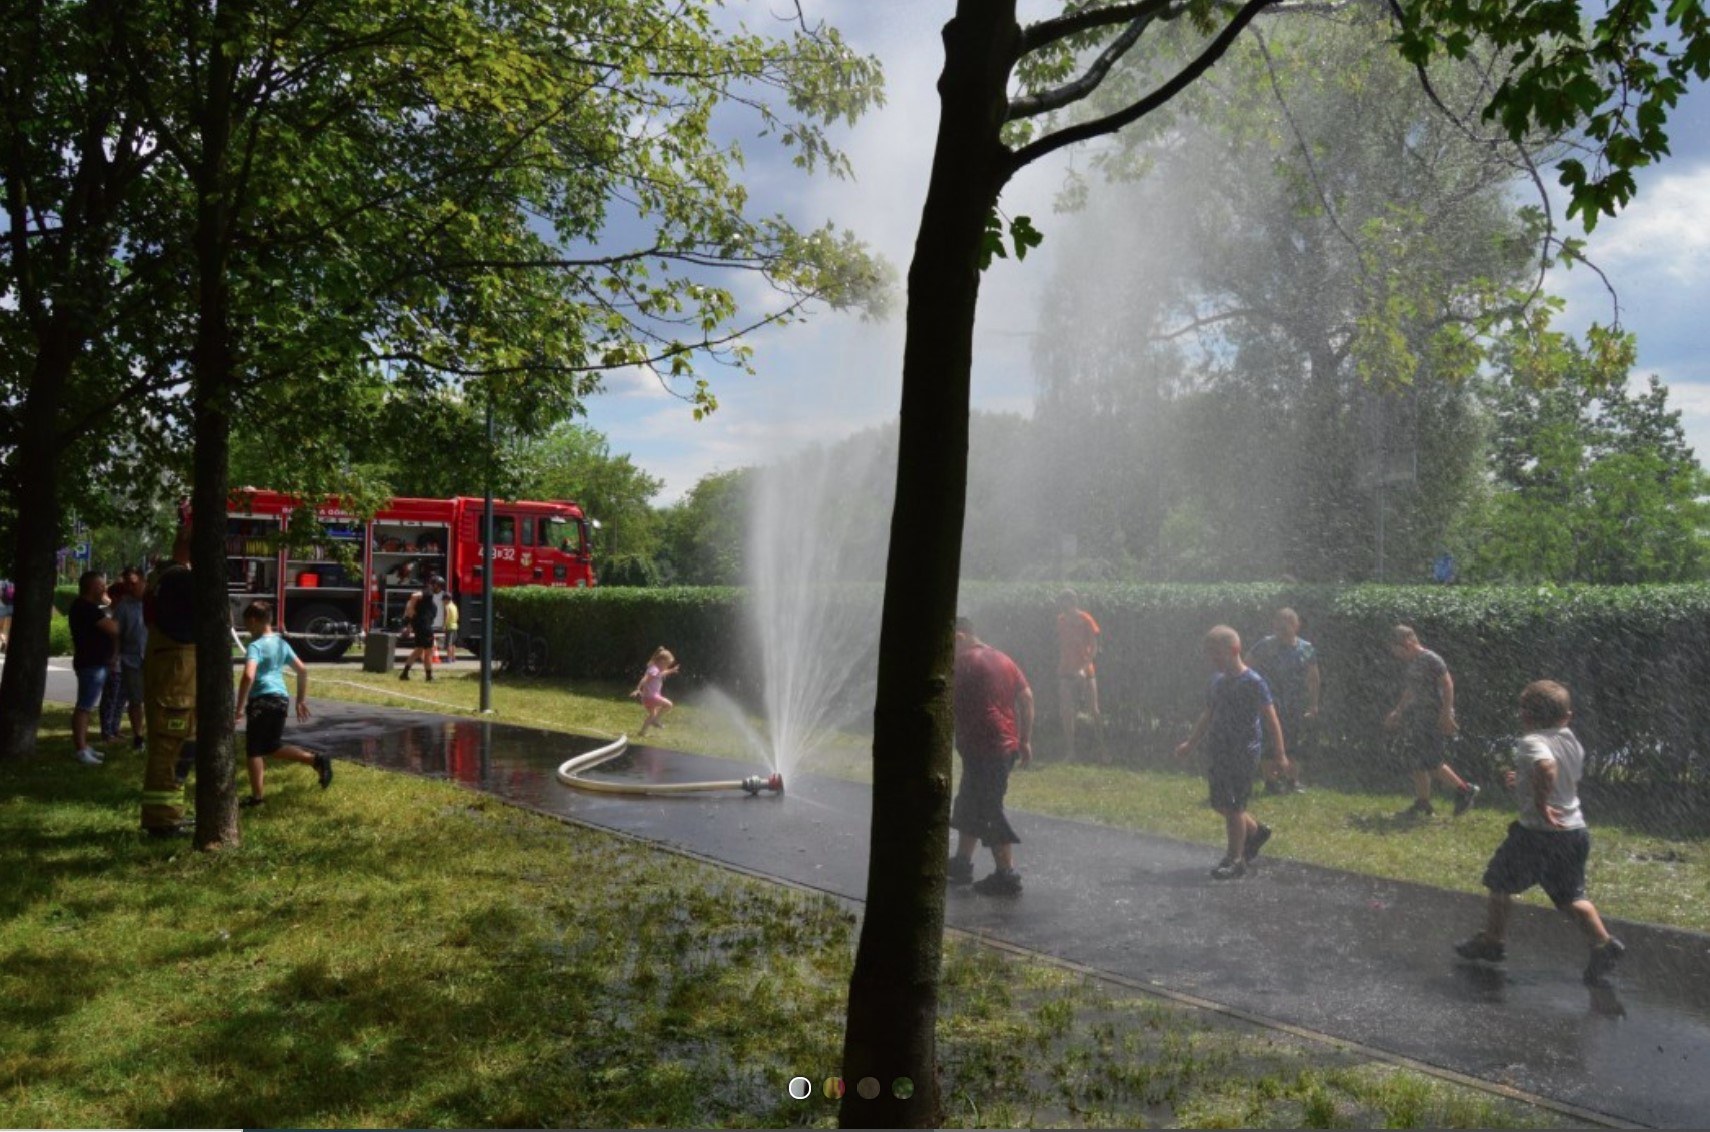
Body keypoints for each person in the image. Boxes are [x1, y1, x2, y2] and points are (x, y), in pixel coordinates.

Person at [1454, 680, 1626, 987]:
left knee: (1499, 882)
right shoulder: (1571, 739)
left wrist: (1541, 805)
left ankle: (1493, 941)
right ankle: (1603, 944)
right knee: (1570, 897)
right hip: (1573, 832)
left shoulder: (1532, 741)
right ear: (1567, 716)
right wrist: (1521, 778)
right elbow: (1551, 769)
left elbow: (1546, 768)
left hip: (1537, 834)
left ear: (1525, 716)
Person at [1174, 625, 1290, 880]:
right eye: (1209, 656)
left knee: (1235, 805)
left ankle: (1234, 859)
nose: (1213, 661)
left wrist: (1280, 754)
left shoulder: (1253, 682)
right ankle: (1256, 831)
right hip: (1219, 748)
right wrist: (1190, 743)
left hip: (1244, 750)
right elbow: (1208, 714)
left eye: (1217, 655)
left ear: (1234, 650)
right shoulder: (1216, 681)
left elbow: (1271, 719)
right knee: (1219, 803)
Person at [947, 617, 1034, 896]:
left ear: (960, 637)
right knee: (970, 801)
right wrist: (1025, 739)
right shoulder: (1003, 659)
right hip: (1001, 746)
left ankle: (1006, 874)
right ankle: (961, 864)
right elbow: (1028, 698)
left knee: (988, 807)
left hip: (987, 747)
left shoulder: (964, 662)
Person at [233, 601, 332, 806]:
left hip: (261, 700)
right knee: (272, 746)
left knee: (254, 751)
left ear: (253, 621)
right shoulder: (281, 644)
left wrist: (239, 707)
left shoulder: (255, 646)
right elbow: (303, 670)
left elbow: (248, 676)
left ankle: (257, 798)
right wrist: (301, 700)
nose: (247, 629)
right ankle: (316, 760)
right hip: (281, 700)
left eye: (247, 624)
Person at [140, 505, 197, 836]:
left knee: (179, 744)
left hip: (172, 667)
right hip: (177, 672)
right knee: (172, 745)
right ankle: (163, 821)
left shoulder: (163, 576)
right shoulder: (181, 580)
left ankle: (167, 814)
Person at [1384, 625, 1478, 817]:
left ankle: (1465, 789)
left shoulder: (1431, 659)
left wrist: (1445, 714)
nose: (1396, 655)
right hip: (1420, 715)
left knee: (1431, 761)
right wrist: (1398, 711)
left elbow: (1448, 685)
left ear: (1408, 644)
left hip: (1434, 716)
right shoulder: (1413, 662)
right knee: (1416, 759)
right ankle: (1423, 803)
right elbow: (1411, 689)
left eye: (1397, 650)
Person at [1247, 607, 1319, 794]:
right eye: (1279, 626)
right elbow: (1246, 667)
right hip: (1268, 703)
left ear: (1297, 626)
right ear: (1274, 626)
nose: (1283, 630)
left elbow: (1313, 677)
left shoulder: (1306, 649)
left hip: (1296, 704)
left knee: (1294, 743)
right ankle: (1271, 782)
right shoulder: (1264, 646)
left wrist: (1313, 704)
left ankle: (1291, 781)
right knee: (1268, 742)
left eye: (1287, 625)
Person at [68, 570, 119, 765]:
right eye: (101, 585)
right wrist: (111, 604)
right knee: (84, 706)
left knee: (86, 706)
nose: (105, 588)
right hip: (91, 664)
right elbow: (114, 628)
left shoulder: (87, 607)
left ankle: (84, 746)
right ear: (92, 587)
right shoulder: (86, 608)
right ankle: (81, 749)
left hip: (95, 663)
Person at [1055, 590, 1107, 762]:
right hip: (1066, 670)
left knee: (1094, 709)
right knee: (1066, 711)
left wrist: (1084, 669)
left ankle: (1102, 749)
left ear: (1074, 603)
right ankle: (1070, 751)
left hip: (1086, 671)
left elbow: (1094, 648)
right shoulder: (1060, 621)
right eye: (1062, 603)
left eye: (1067, 603)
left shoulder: (1086, 620)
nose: (1064, 607)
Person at [102, 567, 147, 749]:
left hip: (153, 657)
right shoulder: (123, 606)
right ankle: (138, 737)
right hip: (131, 659)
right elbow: (117, 634)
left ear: (143, 581)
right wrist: (115, 655)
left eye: (133, 583)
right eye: (127, 583)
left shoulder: (154, 601)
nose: (129, 587)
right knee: (135, 700)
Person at [399, 575, 444, 681]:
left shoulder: (428, 599)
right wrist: (410, 610)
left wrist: (410, 622)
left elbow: (415, 605)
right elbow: (414, 596)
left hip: (419, 626)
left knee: (418, 650)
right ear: (435, 584)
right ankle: (429, 677)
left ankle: (404, 674)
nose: (441, 588)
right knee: (429, 651)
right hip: (424, 627)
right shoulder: (428, 592)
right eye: (440, 586)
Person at [630, 646, 679, 737]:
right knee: (669, 705)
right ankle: (656, 720)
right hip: (652, 696)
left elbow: (662, 673)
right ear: (662, 662)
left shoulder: (655, 669)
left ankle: (642, 732)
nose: (666, 667)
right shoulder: (654, 670)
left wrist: (671, 671)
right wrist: (638, 689)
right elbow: (645, 679)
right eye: (667, 665)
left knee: (652, 714)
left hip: (646, 698)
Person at [440, 594, 459, 665]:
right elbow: (457, 616)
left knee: (448, 644)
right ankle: (453, 658)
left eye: (443, 600)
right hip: (455, 626)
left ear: (446, 599)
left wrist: (444, 625)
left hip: (449, 627)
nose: (443, 602)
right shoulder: (454, 606)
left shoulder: (447, 606)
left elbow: (446, 616)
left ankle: (449, 658)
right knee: (453, 643)